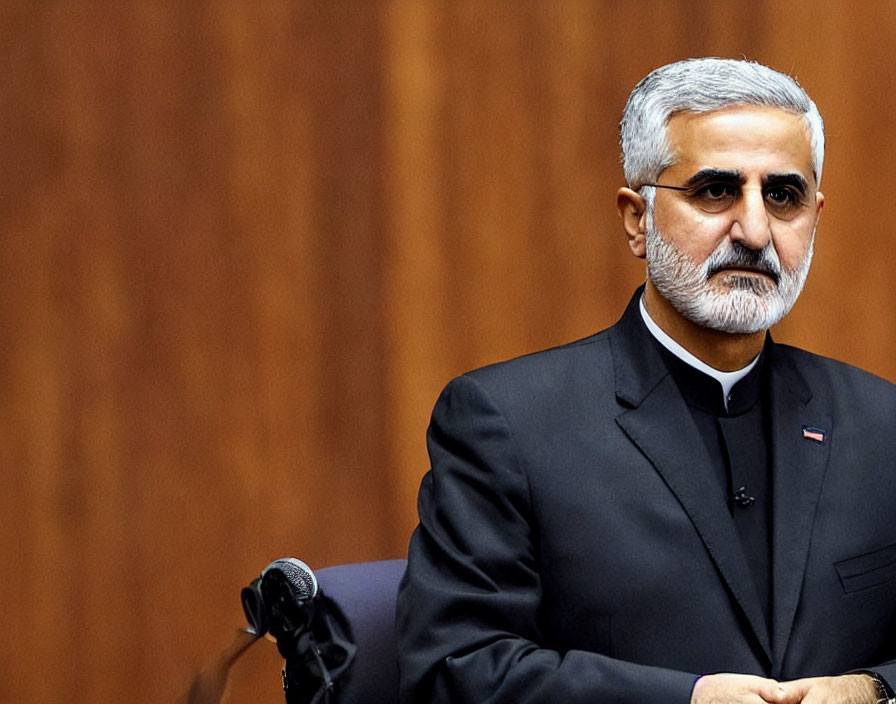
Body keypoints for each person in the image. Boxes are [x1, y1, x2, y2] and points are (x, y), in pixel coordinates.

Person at [395, 58, 896, 704]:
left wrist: (871, 691)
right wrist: (686, 700)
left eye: (783, 196)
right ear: (637, 219)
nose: (754, 230)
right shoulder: (507, 425)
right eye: (715, 191)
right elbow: (451, 669)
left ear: (815, 217)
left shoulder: (881, 425)